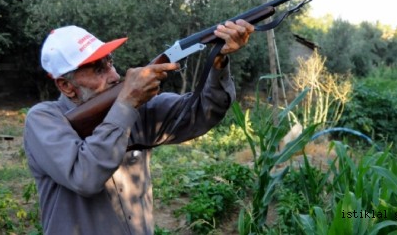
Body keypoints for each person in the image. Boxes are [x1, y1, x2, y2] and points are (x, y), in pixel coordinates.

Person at [23, 20, 254, 235]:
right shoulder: (43, 119)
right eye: (98, 70)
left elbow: (204, 111)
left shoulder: (137, 109)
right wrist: (126, 104)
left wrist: (218, 60)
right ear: (66, 86)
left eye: (110, 62)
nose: (114, 75)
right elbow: (86, 176)